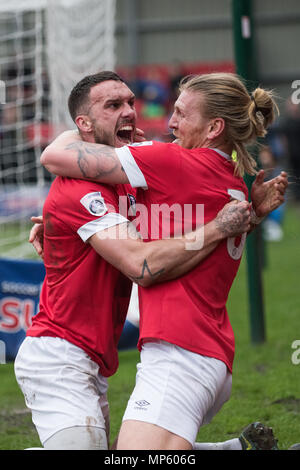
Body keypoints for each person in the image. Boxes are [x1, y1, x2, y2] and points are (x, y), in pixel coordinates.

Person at [40, 72, 288, 450]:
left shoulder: (171, 161)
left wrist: (81, 129)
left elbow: (53, 157)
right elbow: (193, 234)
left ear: (214, 127)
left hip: (180, 352)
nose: (169, 123)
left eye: (181, 114)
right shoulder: (234, 179)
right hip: (207, 352)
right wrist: (65, 226)